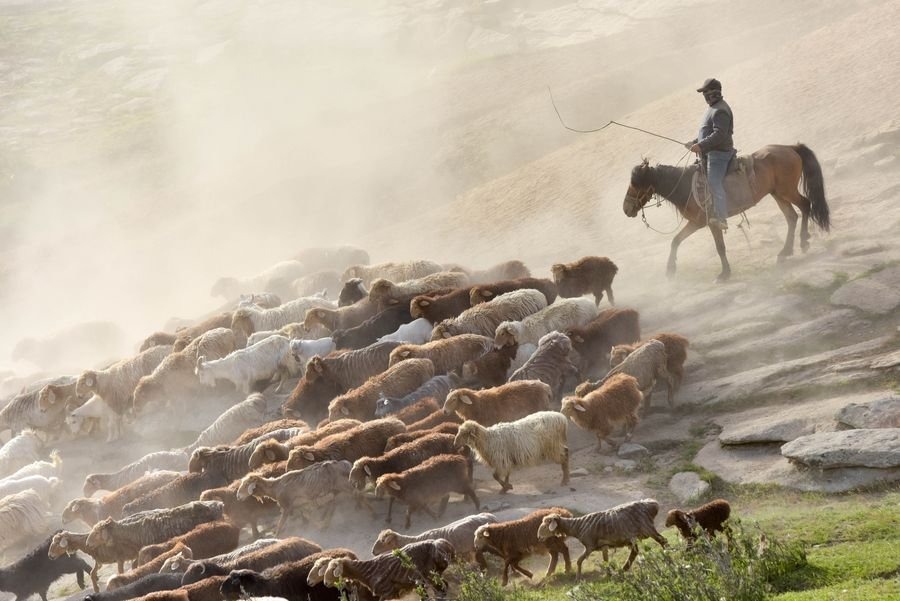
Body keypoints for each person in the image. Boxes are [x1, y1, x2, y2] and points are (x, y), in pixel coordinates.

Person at [686, 78, 735, 231]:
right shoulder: (713, 108)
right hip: (710, 152)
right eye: (704, 93)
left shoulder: (721, 110)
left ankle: (721, 218)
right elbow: (708, 132)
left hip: (719, 154)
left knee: (714, 182)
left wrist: (700, 145)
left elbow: (720, 135)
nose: (705, 96)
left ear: (714, 93)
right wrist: (695, 142)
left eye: (706, 92)